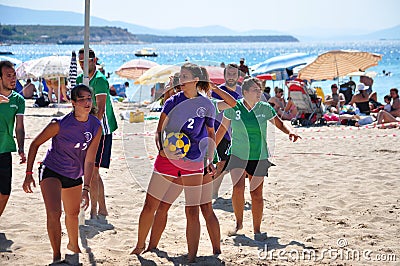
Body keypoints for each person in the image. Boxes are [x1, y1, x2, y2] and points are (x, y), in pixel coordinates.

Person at [144, 67, 237, 256]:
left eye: (182, 79)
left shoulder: (208, 102)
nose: (178, 83)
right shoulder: (176, 102)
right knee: (187, 208)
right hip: (184, 160)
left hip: (199, 161)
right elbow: (165, 120)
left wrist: (214, 87)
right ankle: (152, 246)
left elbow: (232, 103)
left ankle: (215, 250)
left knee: (203, 209)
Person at [131, 63, 217, 263]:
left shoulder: (207, 105)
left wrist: (209, 159)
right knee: (150, 205)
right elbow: (159, 131)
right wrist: (163, 150)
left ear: (195, 80)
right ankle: (141, 245)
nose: (180, 79)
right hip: (167, 159)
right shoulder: (172, 101)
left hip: (194, 160)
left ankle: (192, 256)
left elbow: (211, 135)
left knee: (192, 210)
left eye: (184, 76)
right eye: (179, 76)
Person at [22, 84, 102, 264]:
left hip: (74, 174)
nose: (87, 102)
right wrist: (28, 173)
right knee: (54, 212)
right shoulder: (59, 124)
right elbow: (35, 144)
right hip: (51, 170)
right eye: (82, 99)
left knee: (72, 214)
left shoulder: (96, 126)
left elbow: (90, 161)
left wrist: (86, 189)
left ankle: (73, 248)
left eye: (89, 98)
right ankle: (56, 256)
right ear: (73, 102)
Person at [216, 77, 301, 240]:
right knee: (238, 188)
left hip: (259, 155)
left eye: (260, 90)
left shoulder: (265, 107)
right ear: (245, 92)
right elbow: (222, 130)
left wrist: (290, 132)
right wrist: (211, 150)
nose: (259, 93)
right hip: (238, 154)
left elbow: (280, 123)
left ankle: (257, 230)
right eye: (255, 90)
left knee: (256, 194)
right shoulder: (233, 107)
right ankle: (239, 223)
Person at [76, 48, 118, 222]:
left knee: (92, 171)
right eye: (80, 61)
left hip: (102, 130)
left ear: (94, 60)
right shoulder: (80, 79)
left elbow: (100, 109)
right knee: (93, 172)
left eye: (86, 61)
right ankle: (103, 209)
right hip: (86, 129)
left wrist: (92, 131)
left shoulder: (100, 80)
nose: (82, 64)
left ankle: (94, 210)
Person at [211, 63, 242, 198]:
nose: (231, 77)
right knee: (221, 162)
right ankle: (213, 192)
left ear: (238, 76)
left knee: (232, 164)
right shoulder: (216, 91)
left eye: (234, 74)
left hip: (237, 133)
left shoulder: (242, 91)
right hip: (219, 129)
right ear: (224, 75)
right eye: (228, 74)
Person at [0, 60, 26, 217]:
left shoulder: (18, 100)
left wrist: (21, 148)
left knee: (5, 193)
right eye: (8, 76)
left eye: (14, 75)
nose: (13, 79)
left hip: (5, 150)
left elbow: (20, 127)